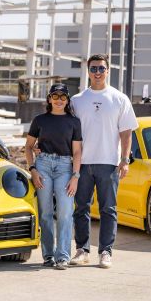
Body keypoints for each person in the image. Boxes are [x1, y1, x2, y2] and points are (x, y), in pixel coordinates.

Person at [69, 54, 138, 269]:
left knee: (109, 209)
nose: (97, 72)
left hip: (109, 163)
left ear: (108, 71)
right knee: (81, 208)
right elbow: (68, 133)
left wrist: (124, 160)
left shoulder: (120, 99)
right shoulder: (77, 100)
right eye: (93, 69)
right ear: (88, 72)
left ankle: (106, 252)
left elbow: (127, 134)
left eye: (101, 68)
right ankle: (82, 250)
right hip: (82, 164)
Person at [24, 83, 82, 270]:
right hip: (43, 167)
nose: (59, 100)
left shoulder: (74, 122)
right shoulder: (40, 120)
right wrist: (33, 169)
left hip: (66, 168)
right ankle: (48, 255)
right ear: (49, 99)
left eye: (62, 97)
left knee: (65, 213)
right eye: (55, 96)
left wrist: (75, 176)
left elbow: (77, 152)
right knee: (46, 214)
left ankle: (63, 256)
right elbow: (28, 146)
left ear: (67, 100)